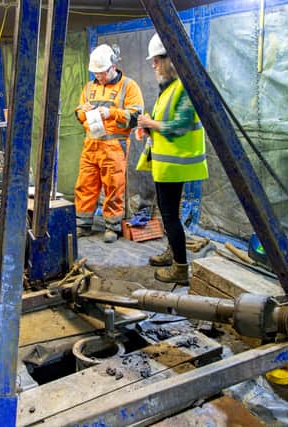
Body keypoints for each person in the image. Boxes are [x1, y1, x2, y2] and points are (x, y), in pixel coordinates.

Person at [137, 34, 208, 284]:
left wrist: (149, 122)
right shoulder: (170, 88)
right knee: (170, 213)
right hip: (167, 164)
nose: (153, 65)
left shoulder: (184, 87)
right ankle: (173, 252)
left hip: (175, 165)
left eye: (156, 61)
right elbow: (163, 123)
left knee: (170, 216)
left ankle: (180, 268)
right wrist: (147, 127)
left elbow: (179, 125)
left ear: (168, 60)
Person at [74, 44, 144, 243]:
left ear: (113, 66)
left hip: (114, 147)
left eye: (102, 73)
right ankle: (83, 224)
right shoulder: (89, 87)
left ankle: (112, 226)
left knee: (113, 187)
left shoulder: (129, 87)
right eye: (95, 73)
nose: (99, 77)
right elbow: (78, 114)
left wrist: (111, 113)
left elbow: (135, 116)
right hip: (91, 145)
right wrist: (83, 111)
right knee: (85, 185)